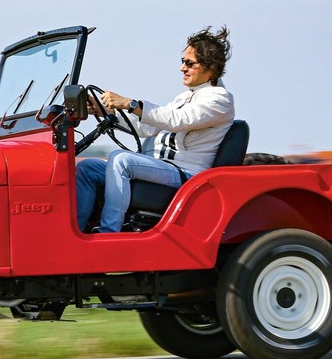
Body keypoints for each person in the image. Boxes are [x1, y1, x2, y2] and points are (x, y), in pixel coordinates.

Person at [76, 26, 235, 233]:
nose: (182, 68)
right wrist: (103, 111)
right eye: (182, 61)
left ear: (210, 68)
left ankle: (108, 232)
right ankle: (76, 232)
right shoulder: (185, 97)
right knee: (87, 168)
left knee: (121, 159)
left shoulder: (219, 99)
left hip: (186, 173)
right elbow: (148, 126)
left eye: (189, 63)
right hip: (161, 167)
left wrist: (130, 103)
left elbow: (177, 120)